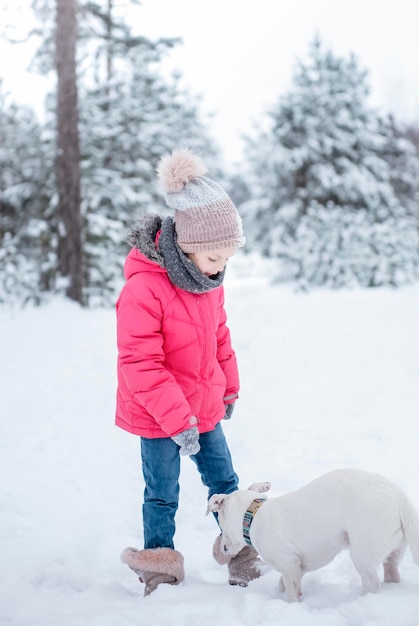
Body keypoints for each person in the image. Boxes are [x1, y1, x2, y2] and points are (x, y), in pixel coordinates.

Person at [116, 148, 264, 595]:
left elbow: (219, 337)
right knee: (162, 492)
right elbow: (140, 363)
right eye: (215, 258)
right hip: (159, 415)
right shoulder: (144, 288)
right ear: (188, 245)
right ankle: (160, 564)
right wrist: (178, 421)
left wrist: (229, 389)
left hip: (204, 406)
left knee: (225, 483)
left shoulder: (207, 283)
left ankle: (240, 551)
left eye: (227, 259)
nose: (221, 269)